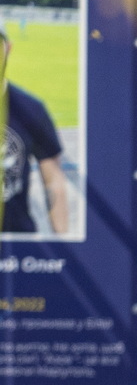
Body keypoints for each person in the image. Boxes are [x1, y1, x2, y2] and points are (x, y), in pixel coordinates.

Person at [2, 25, 74, 237]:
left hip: (17, 243)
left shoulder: (31, 109)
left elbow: (53, 179)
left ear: (8, 48)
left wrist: (62, 244)